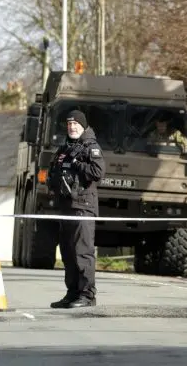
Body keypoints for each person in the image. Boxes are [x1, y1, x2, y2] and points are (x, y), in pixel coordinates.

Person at [47, 108, 106, 308]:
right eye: (69, 124)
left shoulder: (91, 147)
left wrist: (77, 164)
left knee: (83, 252)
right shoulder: (65, 147)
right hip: (66, 207)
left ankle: (87, 295)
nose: (72, 127)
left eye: (75, 124)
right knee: (68, 252)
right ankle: (72, 293)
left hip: (83, 207)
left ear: (83, 125)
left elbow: (98, 172)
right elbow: (55, 169)